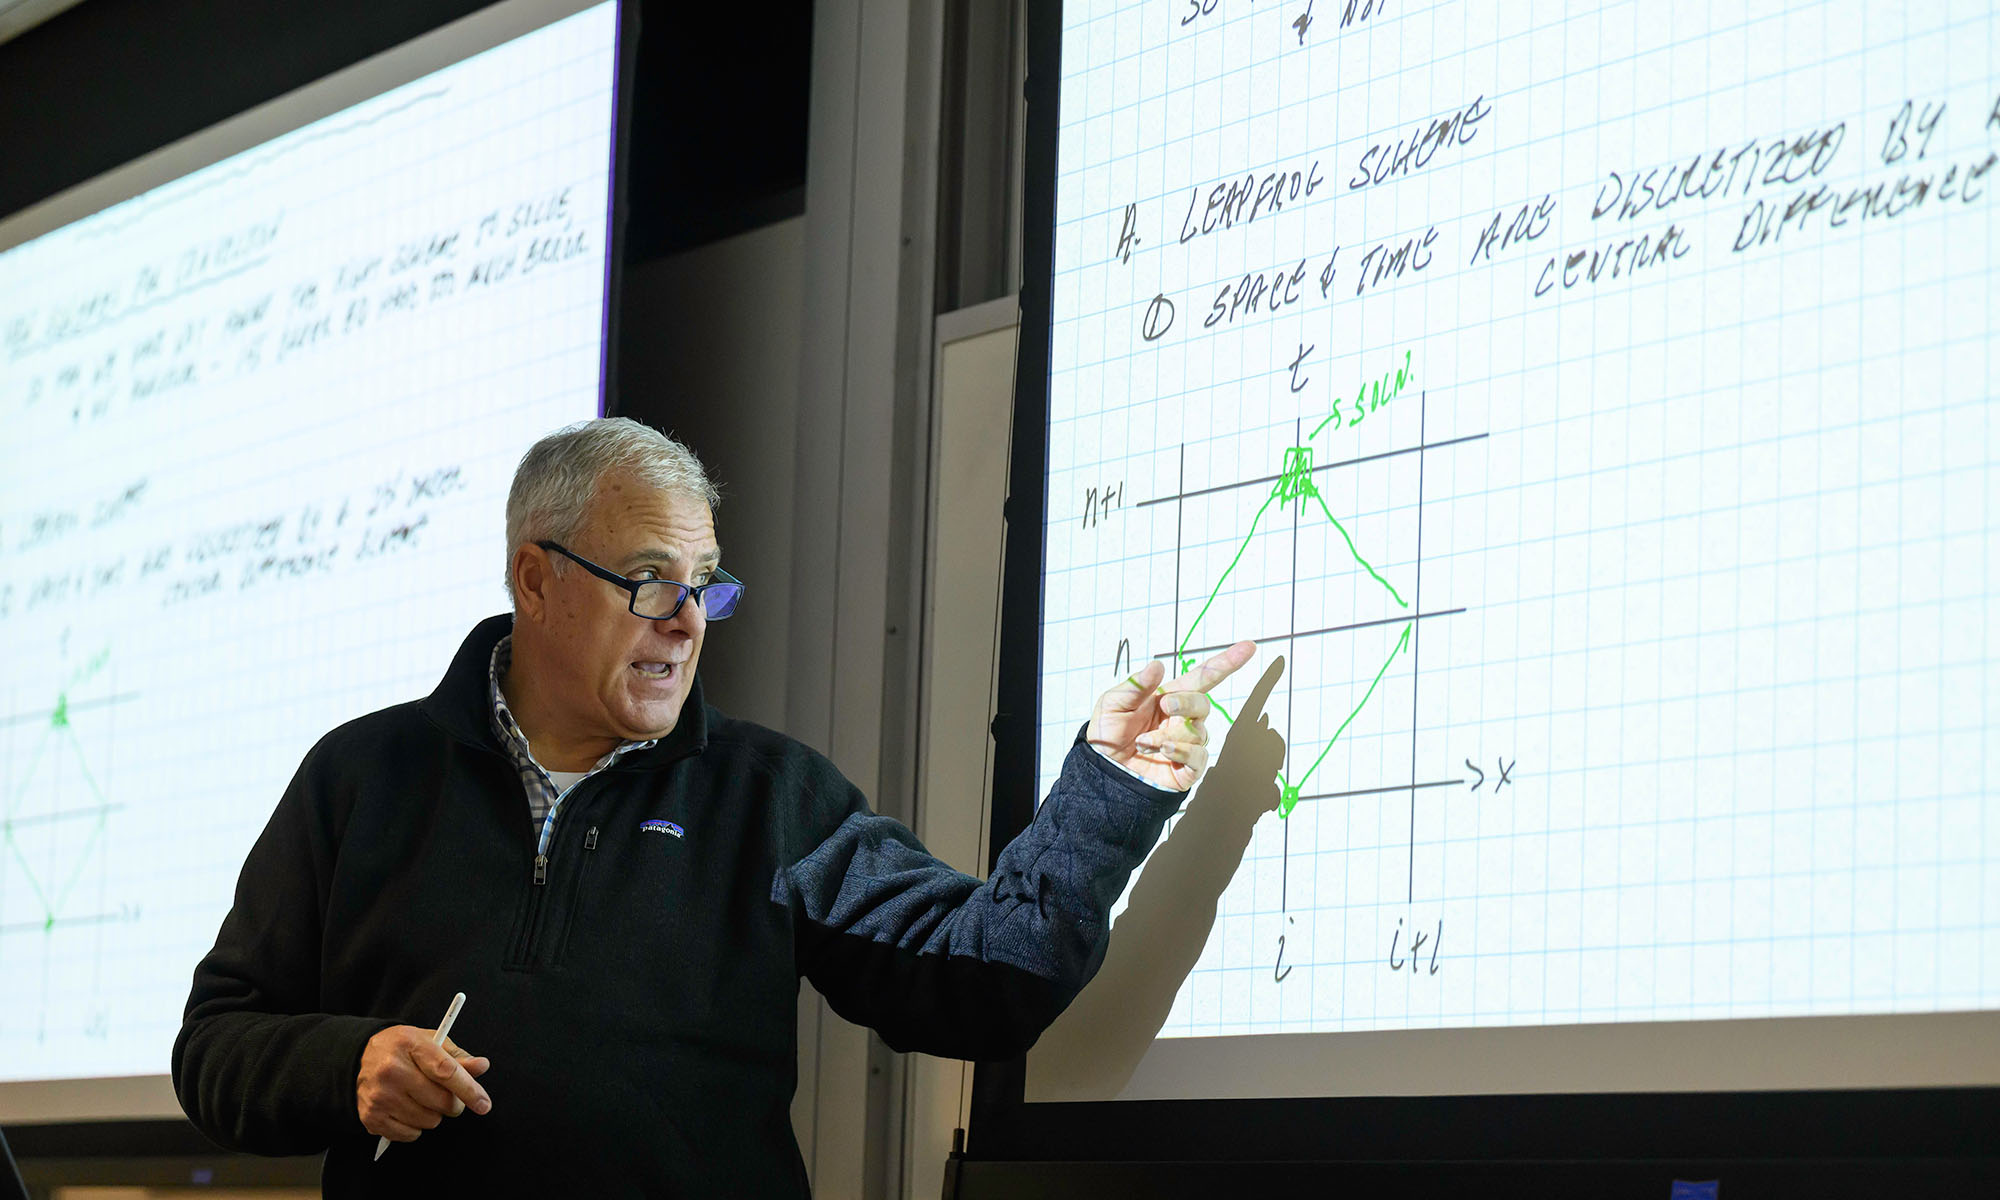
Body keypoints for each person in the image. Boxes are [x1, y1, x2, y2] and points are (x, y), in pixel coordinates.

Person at [172, 418, 1253, 1197]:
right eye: (649, 579)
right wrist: (347, 1066)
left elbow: (979, 982)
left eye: (706, 584)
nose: (687, 621)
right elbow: (216, 1048)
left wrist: (1110, 789)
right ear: (535, 581)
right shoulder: (364, 777)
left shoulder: (768, 796)